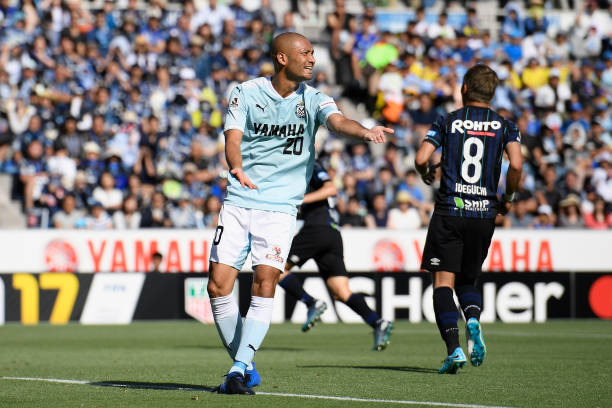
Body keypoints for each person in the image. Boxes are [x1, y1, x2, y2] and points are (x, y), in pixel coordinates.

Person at [208, 32, 391, 395]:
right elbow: (232, 138)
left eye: (312, 53)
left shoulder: (316, 98)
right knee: (217, 286)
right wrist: (237, 167)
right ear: (282, 58)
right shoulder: (245, 92)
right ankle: (244, 363)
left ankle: (239, 368)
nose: (311, 59)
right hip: (240, 200)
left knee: (265, 282)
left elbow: (338, 123)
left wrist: (364, 131)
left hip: (279, 209)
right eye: (305, 53)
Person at [414, 64, 522, 374]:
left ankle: (454, 350)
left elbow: (422, 158)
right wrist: (509, 198)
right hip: (484, 213)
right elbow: (515, 165)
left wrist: (425, 174)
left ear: (464, 88)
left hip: (450, 210)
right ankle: (473, 318)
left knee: (442, 284)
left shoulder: (448, 120)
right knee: (468, 280)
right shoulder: (506, 126)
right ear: (493, 93)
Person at [278, 161, 393, 350]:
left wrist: (301, 200)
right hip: (332, 234)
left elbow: (331, 189)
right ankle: (377, 322)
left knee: (275, 268)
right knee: (341, 291)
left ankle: (310, 302)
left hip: (317, 229)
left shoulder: (312, 166)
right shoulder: (300, 170)